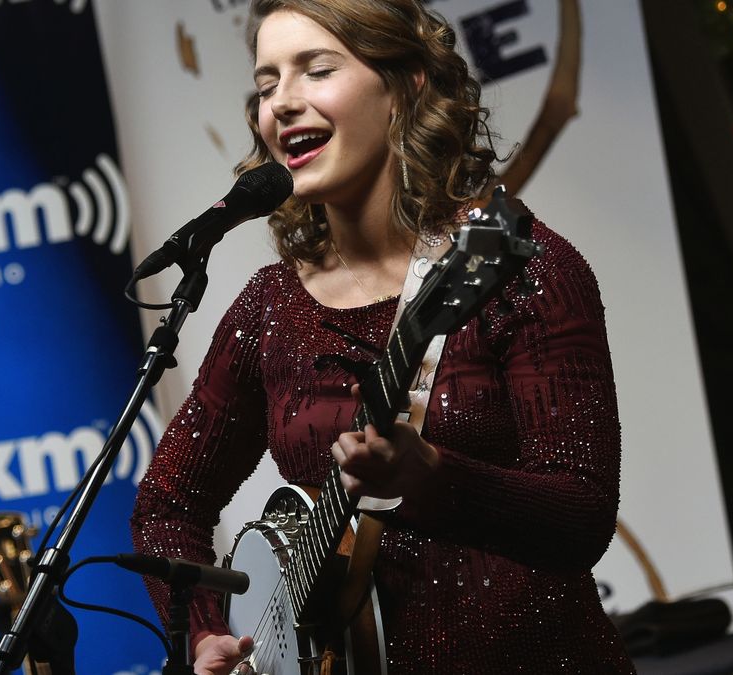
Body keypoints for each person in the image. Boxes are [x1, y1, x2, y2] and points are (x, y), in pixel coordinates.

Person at [129, 0, 634, 673]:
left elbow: (583, 517)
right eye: (267, 84)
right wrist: (203, 631)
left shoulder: (521, 269)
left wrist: (433, 476)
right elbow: (167, 506)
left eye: (315, 71)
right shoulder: (268, 308)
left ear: (406, 87)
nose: (282, 103)